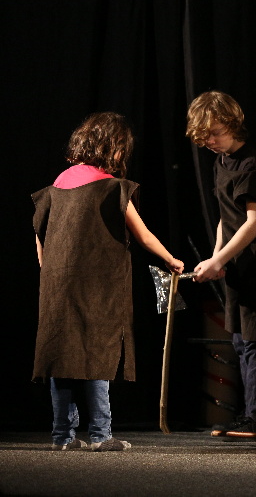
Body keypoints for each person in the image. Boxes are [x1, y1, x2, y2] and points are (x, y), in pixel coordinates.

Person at [32, 112, 185, 451]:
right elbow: (143, 235)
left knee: (61, 356)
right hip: (97, 288)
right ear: (112, 148)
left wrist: (49, 270)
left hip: (57, 287)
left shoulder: (60, 181)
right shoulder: (110, 187)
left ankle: (62, 437)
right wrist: (171, 260)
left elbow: (40, 232)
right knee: (97, 354)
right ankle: (101, 435)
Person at [186, 90, 256, 433]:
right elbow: (226, 217)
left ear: (232, 124)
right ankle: (255, 413)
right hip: (237, 265)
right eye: (205, 137)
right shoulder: (221, 163)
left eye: (215, 133)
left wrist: (220, 258)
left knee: (253, 339)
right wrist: (216, 258)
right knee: (240, 339)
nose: (210, 141)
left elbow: (254, 222)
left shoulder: (251, 166)